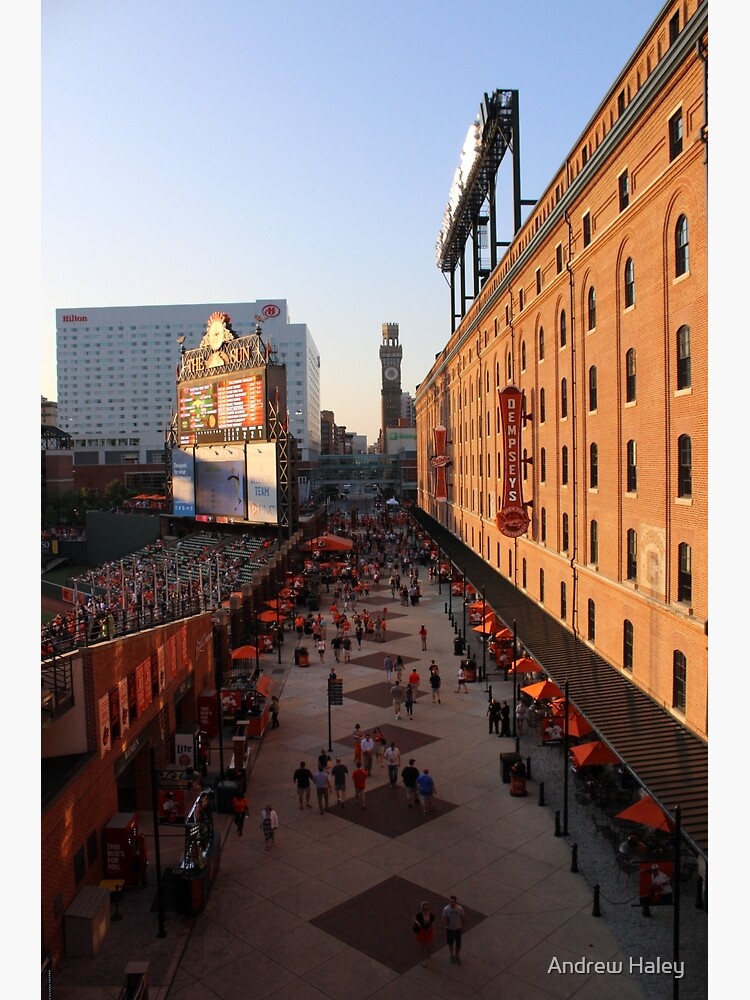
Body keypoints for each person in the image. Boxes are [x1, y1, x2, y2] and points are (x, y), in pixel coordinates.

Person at [442, 895, 466, 964]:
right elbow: (443, 918)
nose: (451, 903)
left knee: (458, 944)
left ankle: (457, 955)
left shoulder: (459, 908)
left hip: (457, 928)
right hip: (449, 929)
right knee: (450, 943)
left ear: (455, 902)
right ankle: (451, 955)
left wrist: (463, 926)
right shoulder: (446, 909)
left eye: (452, 902)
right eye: (450, 901)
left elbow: (463, 917)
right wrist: (443, 928)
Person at [413, 901, 436, 967]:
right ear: (422, 909)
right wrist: (417, 922)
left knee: (428, 947)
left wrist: (434, 934)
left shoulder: (431, 915)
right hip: (422, 932)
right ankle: (424, 961)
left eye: (428, 909)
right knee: (422, 947)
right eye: (425, 909)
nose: (426, 910)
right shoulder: (419, 915)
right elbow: (414, 919)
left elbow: (433, 925)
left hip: (429, 932)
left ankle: (428, 953)